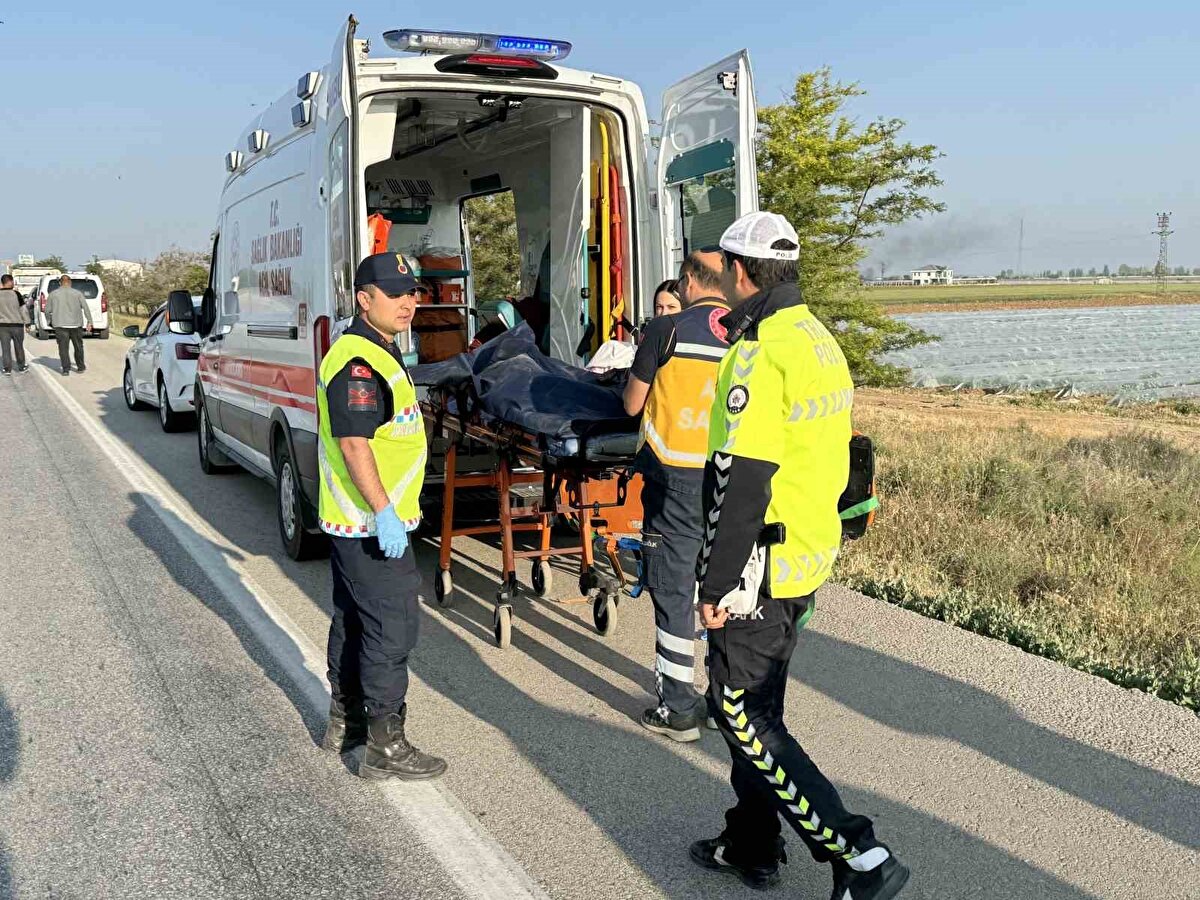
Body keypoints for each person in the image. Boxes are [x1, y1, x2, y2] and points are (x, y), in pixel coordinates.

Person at [689, 212, 909, 899]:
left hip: (759, 565)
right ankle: (752, 840)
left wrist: (715, 582)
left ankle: (859, 855)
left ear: (741, 272)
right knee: (761, 709)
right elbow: (845, 456)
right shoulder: (818, 340)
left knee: (740, 713)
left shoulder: (758, 353)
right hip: (806, 556)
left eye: (725, 270)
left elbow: (742, 477)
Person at [316, 251, 447, 781]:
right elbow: (353, 443)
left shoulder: (381, 351)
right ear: (364, 299)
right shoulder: (358, 362)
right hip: (370, 524)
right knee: (392, 628)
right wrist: (384, 512)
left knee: (354, 619)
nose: (407, 303)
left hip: (364, 522)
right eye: (395, 295)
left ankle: (344, 722)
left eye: (412, 293)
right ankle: (384, 743)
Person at [623, 249, 729, 741]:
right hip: (731, 480)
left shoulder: (666, 331)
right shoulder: (746, 333)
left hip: (675, 480)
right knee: (726, 587)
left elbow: (631, 404)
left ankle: (678, 707)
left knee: (672, 588)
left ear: (688, 281)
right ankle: (726, 699)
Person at [47, 274, 92, 375]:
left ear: (60, 283)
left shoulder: (53, 294)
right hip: (76, 325)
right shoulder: (77, 293)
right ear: (70, 282)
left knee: (63, 348)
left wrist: (49, 321)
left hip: (60, 325)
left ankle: (66, 369)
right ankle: (80, 367)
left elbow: (47, 310)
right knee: (78, 347)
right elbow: (85, 308)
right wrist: (90, 321)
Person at [0, 274, 29, 375]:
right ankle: (21, 367)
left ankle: (7, 369)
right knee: (19, 346)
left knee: (5, 348)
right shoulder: (16, 294)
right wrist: (28, 323)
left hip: (2, 326)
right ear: (10, 282)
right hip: (17, 325)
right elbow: (23, 310)